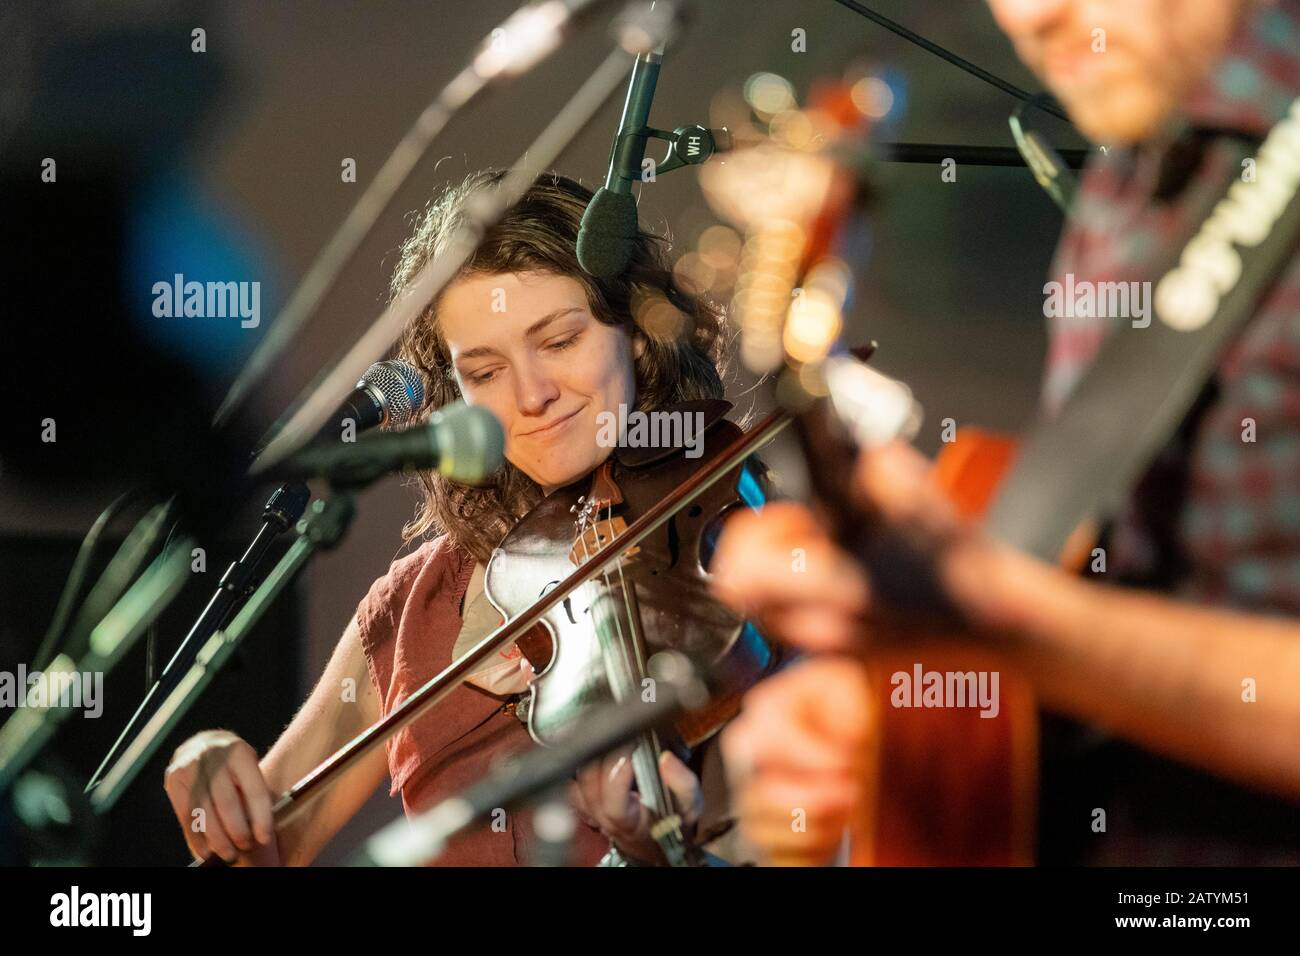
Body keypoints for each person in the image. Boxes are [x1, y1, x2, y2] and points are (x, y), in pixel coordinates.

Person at [711, 0, 1300, 866]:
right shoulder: (1130, 184)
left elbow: (1052, 630)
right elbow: (1147, 606)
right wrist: (909, 718)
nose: (1031, 16)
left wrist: (1011, 626)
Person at [163, 170, 759, 866]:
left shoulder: (737, 537)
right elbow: (257, 852)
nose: (531, 394)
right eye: (483, 371)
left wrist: (647, 847)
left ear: (634, 332)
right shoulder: (413, 604)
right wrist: (208, 764)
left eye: (561, 340)